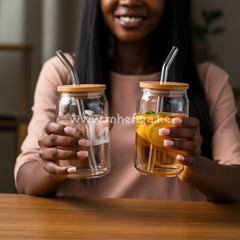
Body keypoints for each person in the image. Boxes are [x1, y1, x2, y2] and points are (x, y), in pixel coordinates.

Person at [15, 0, 240, 202]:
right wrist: (52, 166)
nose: (129, 1)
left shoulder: (210, 81)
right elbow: (24, 179)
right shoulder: (61, 76)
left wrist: (196, 167)